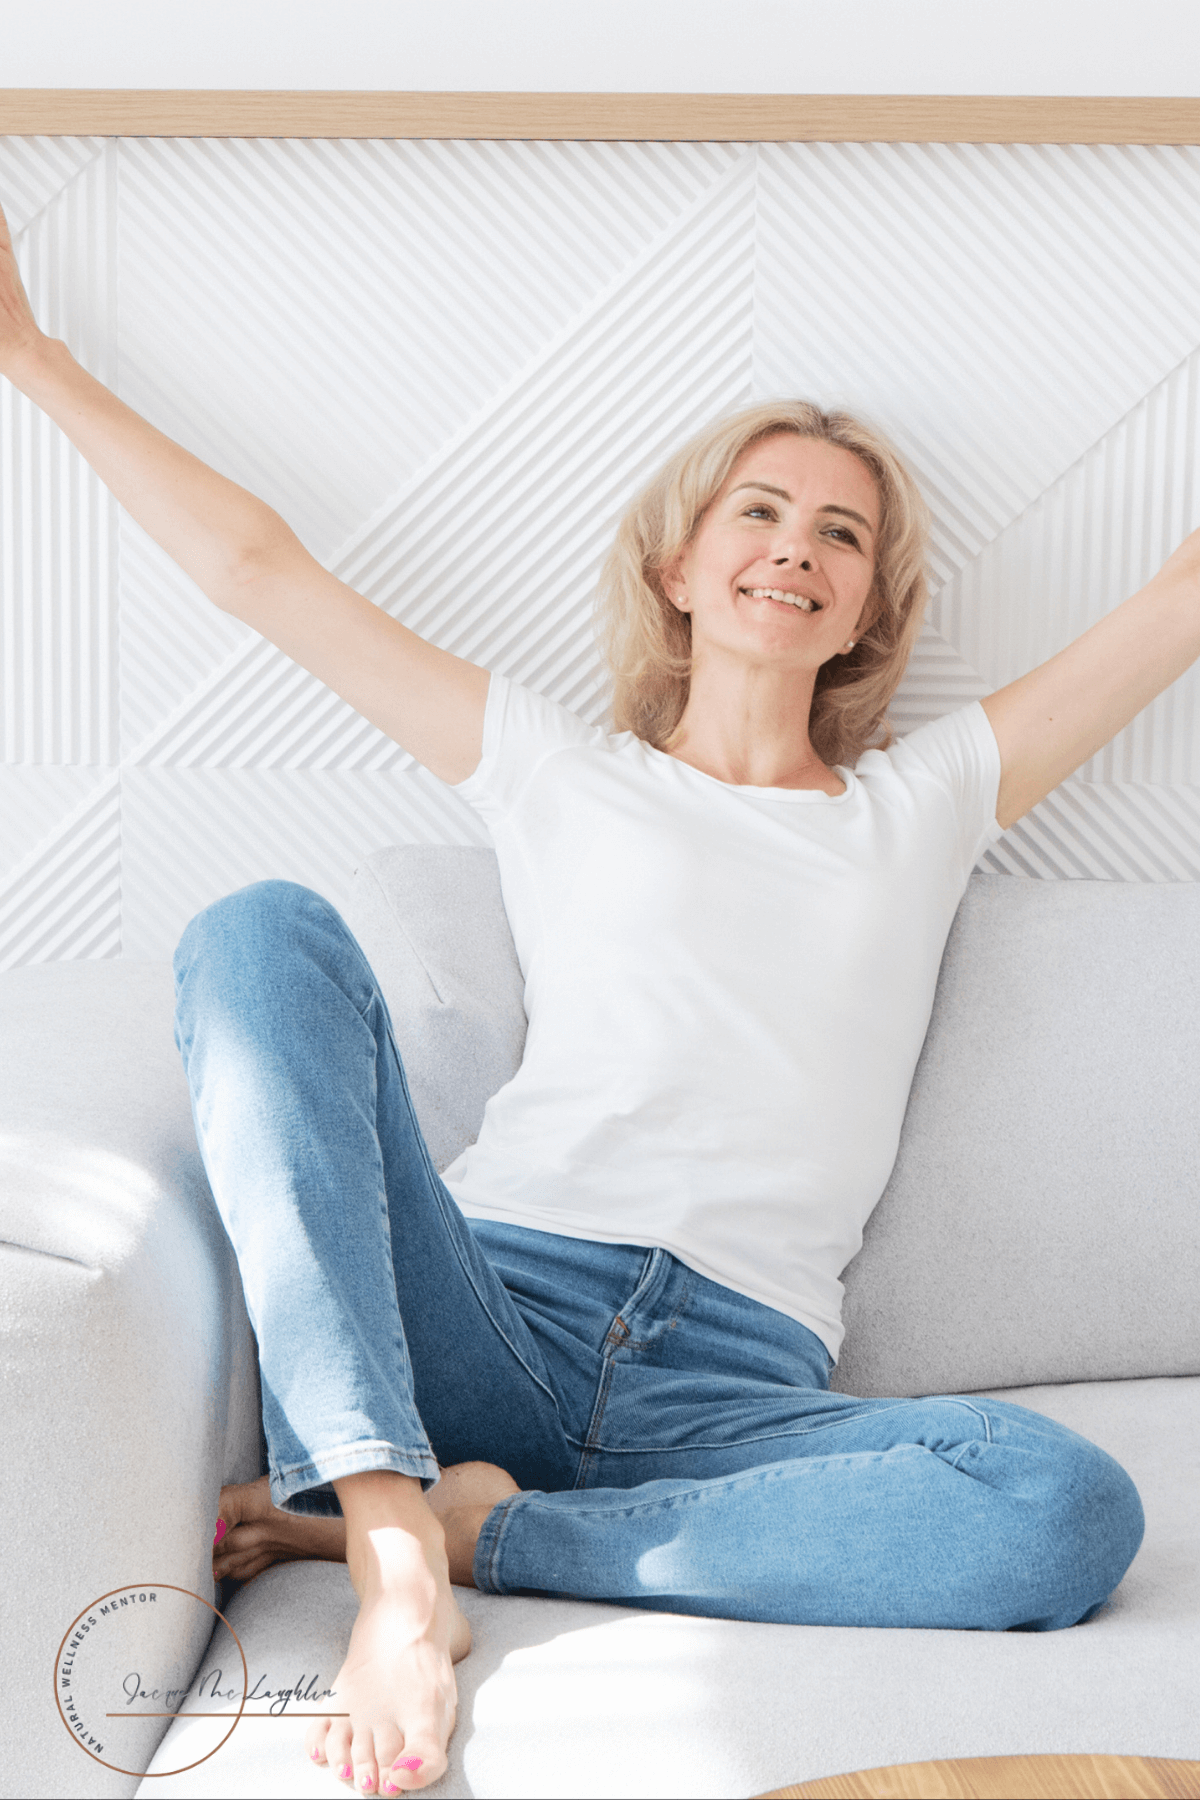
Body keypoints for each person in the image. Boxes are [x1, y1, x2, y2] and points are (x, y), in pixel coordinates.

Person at [4, 192, 1193, 1798]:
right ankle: (389, 1549)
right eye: (761, 513)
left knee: (1064, 1512)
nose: (799, 548)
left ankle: (497, 1532)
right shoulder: (561, 773)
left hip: (737, 1388)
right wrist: (29, 355)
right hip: (496, 1306)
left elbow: (1179, 603)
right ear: (679, 564)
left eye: (843, 535)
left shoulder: (926, 806)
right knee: (260, 927)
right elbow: (255, 571)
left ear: (867, 611)